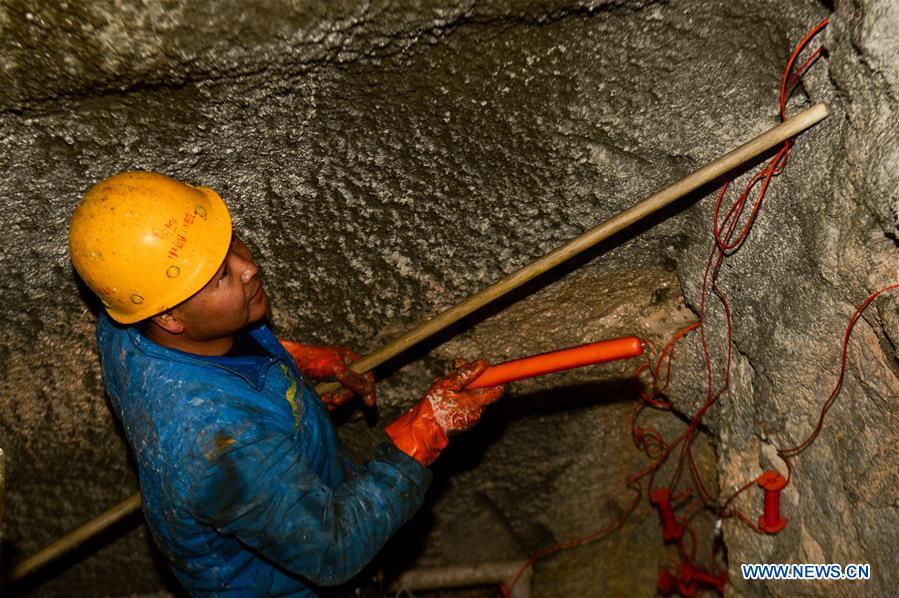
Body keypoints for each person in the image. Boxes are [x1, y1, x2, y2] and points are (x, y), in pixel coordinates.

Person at [68, 171, 503, 596]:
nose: (248, 269)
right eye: (219, 276)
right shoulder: (225, 447)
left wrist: (296, 361)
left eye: (231, 245)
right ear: (168, 317)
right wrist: (425, 431)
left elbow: (209, 363)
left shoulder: (125, 325)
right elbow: (334, 550)